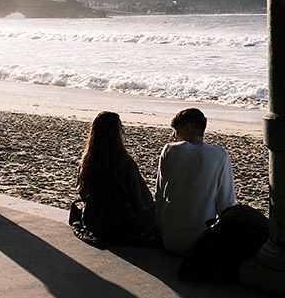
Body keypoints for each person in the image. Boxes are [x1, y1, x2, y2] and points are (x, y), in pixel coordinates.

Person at [70, 111, 158, 247]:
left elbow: (82, 192)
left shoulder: (87, 161)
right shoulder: (124, 162)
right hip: (119, 224)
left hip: (93, 221)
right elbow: (138, 200)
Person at [155, 107, 235, 254]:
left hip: (170, 238)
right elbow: (226, 203)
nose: (174, 136)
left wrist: (159, 225)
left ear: (188, 128)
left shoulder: (169, 150)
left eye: (176, 131)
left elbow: (160, 193)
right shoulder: (219, 155)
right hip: (200, 241)